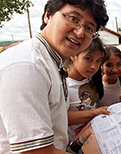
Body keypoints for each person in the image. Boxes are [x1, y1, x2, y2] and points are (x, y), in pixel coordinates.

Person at [0, 0, 108, 153]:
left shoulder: (52, 63)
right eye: (73, 19)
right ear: (48, 16)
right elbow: (38, 151)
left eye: (89, 28)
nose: (80, 33)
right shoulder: (28, 66)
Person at [65, 37, 111, 143]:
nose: (94, 66)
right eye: (88, 59)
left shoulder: (92, 80)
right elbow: (61, 117)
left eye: (98, 61)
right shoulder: (63, 83)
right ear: (73, 55)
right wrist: (94, 113)